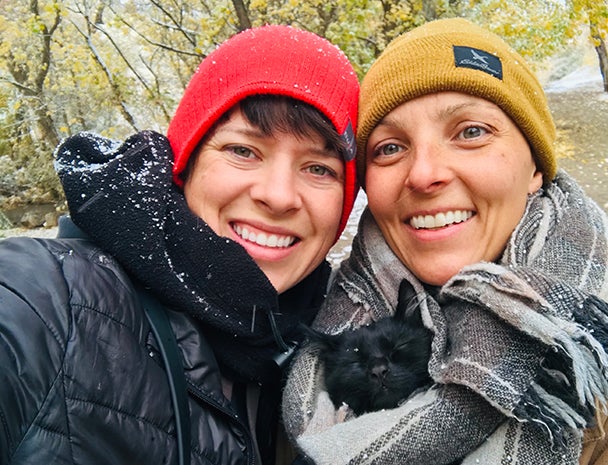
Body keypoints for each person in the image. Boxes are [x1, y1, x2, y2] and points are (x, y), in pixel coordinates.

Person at [282, 18, 608, 465]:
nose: (425, 173)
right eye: (390, 147)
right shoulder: (303, 347)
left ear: (535, 167)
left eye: (471, 131)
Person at [0, 24, 359, 465]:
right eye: (244, 151)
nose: (279, 195)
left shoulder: (318, 344)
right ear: (185, 165)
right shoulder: (44, 302)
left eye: (319, 168)